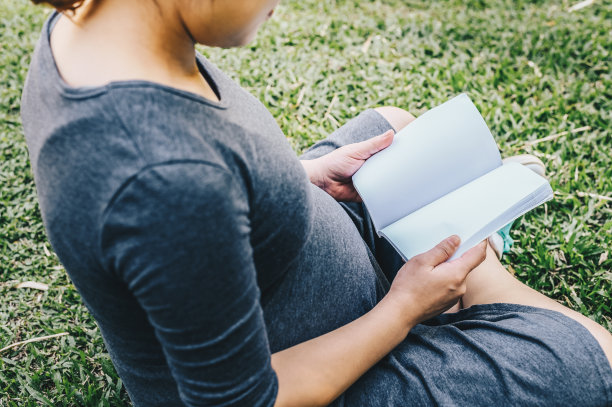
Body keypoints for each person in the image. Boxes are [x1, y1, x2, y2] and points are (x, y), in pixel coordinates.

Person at [20, 0, 611, 405]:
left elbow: (219, 174)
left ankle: (468, 285)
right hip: (314, 373)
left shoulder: (98, 28)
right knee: (595, 359)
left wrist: (302, 177)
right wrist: (402, 309)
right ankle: (486, 300)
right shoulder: (162, 178)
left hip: (297, 257)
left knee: (398, 128)